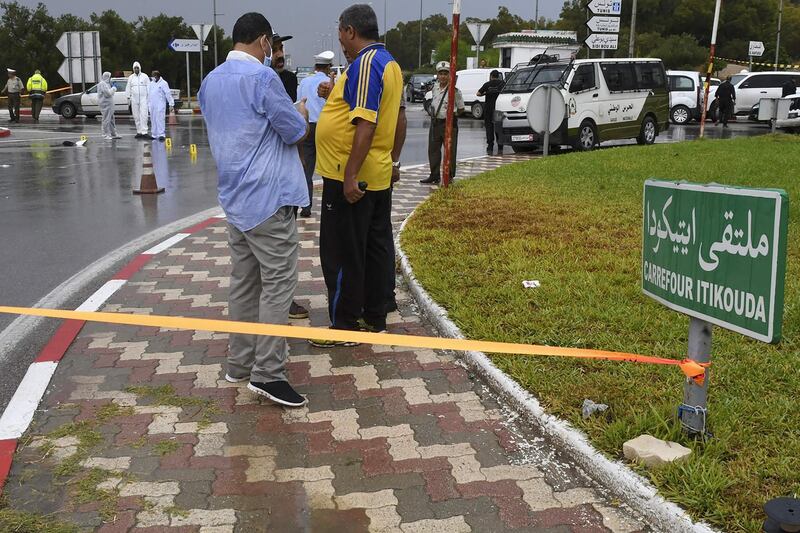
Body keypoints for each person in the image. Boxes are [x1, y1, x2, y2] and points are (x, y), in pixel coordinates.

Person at [199, 12, 310, 408]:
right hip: (268, 199)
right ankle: (268, 373)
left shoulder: (210, 81)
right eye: (271, 44)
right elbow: (294, 132)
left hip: (235, 200)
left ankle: (239, 363)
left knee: (244, 283)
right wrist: (301, 113)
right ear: (263, 41)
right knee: (278, 285)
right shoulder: (264, 80)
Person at [312, 3, 406, 346]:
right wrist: (394, 162)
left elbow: (365, 124)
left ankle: (345, 324)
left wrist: (350, 176)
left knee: (341, 252)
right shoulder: (390, 63)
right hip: (378, 173)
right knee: (375, 247)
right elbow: (399, 119)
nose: (340, 40)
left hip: (350, 177)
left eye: (340, 32)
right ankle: (374, 315)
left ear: (351, 30)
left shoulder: (365, 63)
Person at [296, 49, 335, 218]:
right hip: (325, 128)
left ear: (315, 66)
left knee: (307, 167)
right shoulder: (332, 82)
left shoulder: (304, 82)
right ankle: (330, 204)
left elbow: (299, 105)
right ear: (329, 67)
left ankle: (306, 205)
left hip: (307, 127)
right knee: (328, 167)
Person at [420, 61, 465, 184]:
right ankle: (434, 175)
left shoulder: (454, 91)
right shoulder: (435, 88)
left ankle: (449, 175)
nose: (443, 76)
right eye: (441, 73)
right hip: (435, 123)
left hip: (448, 124)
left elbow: (461, 109)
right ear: (437, 75)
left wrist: (451, 116)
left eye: (446, 73)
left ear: (450, 75)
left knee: (450, 151)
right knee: (433, 150)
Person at [476, 69, 505, 154]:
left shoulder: (487, 84)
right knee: (498, 127)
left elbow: (478, 93)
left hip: (488, 109)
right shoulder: (502, 84)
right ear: (498, 76)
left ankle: (490, 147)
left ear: (491, 76)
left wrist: (486, 93)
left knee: (489, 128)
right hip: (498, 109)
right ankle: (500, 146)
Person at [148, 70, 174, 142]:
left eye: (153, 76)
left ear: (156, 76)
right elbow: (149, 95)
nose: (152, 78)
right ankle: (154, 134)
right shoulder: (151, 84)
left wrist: (171, 104)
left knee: (160, 119)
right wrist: (149, 105)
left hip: (160, 104)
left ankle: (161, 134)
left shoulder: (164, 83)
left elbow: (168, 94)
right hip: (153, 104)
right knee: (153, 119)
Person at [126, 61, 150, 138]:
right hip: (134, 100)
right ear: (133, 69)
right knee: (136, 116)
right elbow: (128, 88)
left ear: (140, 68)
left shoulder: (145, 76)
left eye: (137, 68)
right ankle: (139, 131)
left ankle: (144, 132)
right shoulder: (131, 78)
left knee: (144, 115)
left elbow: (149, 88)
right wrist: (128, 98)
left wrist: (149, 98)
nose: (136, 69)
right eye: (135, 68)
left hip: (143, 99)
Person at [272, 34, 298, 101]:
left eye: (281, 48)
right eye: (273, 50)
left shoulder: (290, 79)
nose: (280, 55)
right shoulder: (255, 81)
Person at [98, 72, 120, 140]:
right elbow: (108, 94)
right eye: (110, 77)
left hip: (109, 104)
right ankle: (105, 134)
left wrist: (112, 87)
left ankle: (113, 133)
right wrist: (114, 88)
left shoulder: (107, 84)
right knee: (106, 119)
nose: (110, 78)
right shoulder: (102, 84)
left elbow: (110, 94)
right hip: (105, 104)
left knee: (111, 120)